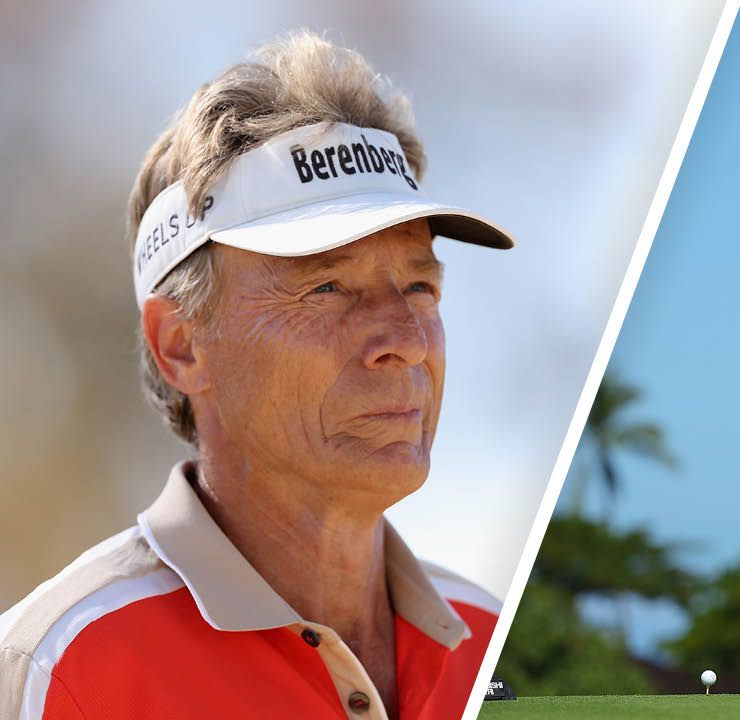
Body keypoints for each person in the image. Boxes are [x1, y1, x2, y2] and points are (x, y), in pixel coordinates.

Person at [0, 32, 514, 719]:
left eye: (420, 287)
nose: (405, 341)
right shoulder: (59, 669)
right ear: (180, 345)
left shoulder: (502, 647)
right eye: (327, 287)